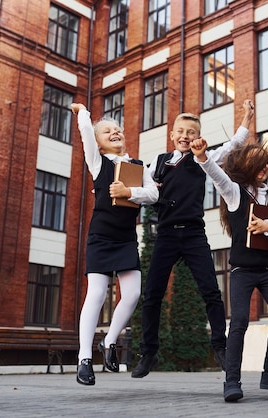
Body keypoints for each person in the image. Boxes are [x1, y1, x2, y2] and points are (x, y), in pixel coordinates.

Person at [131, 100, 255, 378]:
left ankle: (220, 347)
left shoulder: (203, 159)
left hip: (194, 235)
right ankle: (148, 352)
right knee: (151, 294)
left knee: (211, 291)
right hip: (165, 235)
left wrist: (246, 117)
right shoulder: (158, 164)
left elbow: (233, 145)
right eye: (181, 131)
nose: (186, 136)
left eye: (191, 132)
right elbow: (139, 188)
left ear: (197, 137)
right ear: (172, 135)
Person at [192, 133, 268, 402]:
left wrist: (267, 227)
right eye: (258, 163)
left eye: (266, 163)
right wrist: (202, 157)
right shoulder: (235, 193)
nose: (264, 168)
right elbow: (217, 175)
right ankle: (232, 381)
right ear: (245, 167)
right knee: (239, 321)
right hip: (241, 271)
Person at [71, 103, 157, 386]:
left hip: (125, 240)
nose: (115, 132)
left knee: (132, 295)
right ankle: (84, 358)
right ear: (99, 143)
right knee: (96, 294)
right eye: (107, 131)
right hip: (100, 238)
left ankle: (109, 342)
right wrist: (83, 112)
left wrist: (128, 191)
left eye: (118, 129)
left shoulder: (137, 166)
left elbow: (153, 194)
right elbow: (85, 132)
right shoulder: (98, 163)